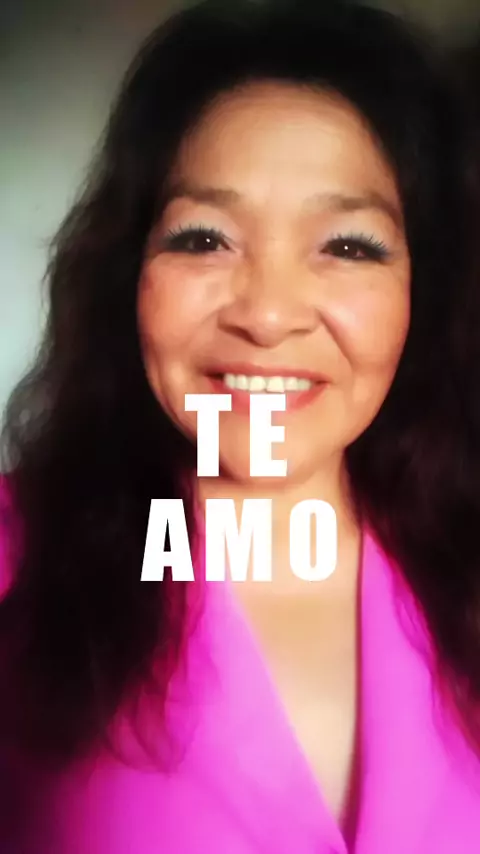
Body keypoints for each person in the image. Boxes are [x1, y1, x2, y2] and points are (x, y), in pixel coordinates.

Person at [0, 0, 479, 851]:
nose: (266, 314)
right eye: (204, 239)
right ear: (127, 275)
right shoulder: (19, 555)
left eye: (348, 246)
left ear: (421, 294)